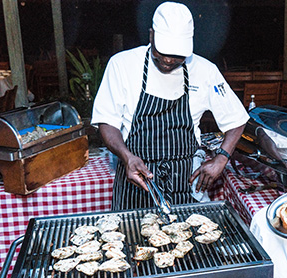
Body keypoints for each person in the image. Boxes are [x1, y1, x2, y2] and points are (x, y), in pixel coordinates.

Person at [92, 2, 249, 210]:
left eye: (177, 55)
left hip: (184, 181)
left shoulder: (205, 71)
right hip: (136, 178)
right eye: (162, 51)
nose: (167, 60)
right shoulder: (122, 65)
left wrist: (222, 158)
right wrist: (126, 156)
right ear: (151, 36)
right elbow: (107, 122)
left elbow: (237, 120)